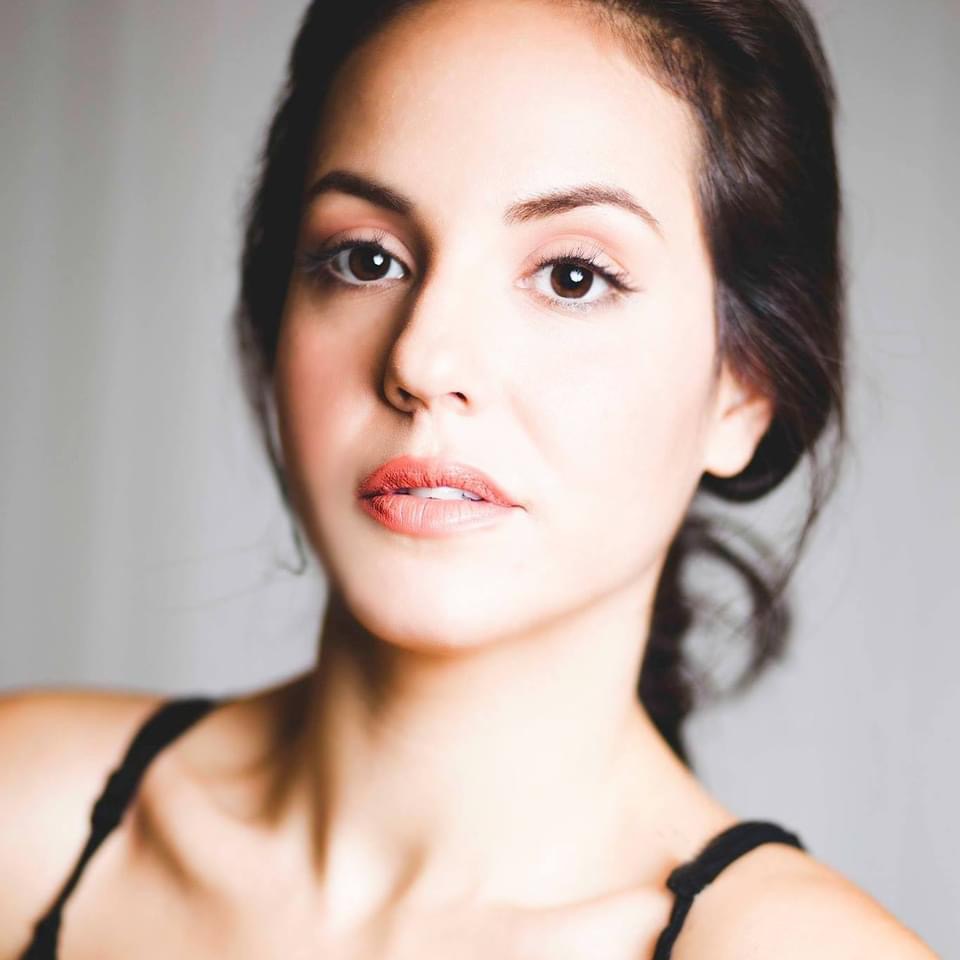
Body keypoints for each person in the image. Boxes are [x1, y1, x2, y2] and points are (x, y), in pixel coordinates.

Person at [0, 0, 939, 956]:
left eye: (572, 277)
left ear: (745, 387)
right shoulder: (25, 822)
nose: (423, 358)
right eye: (366, 259)